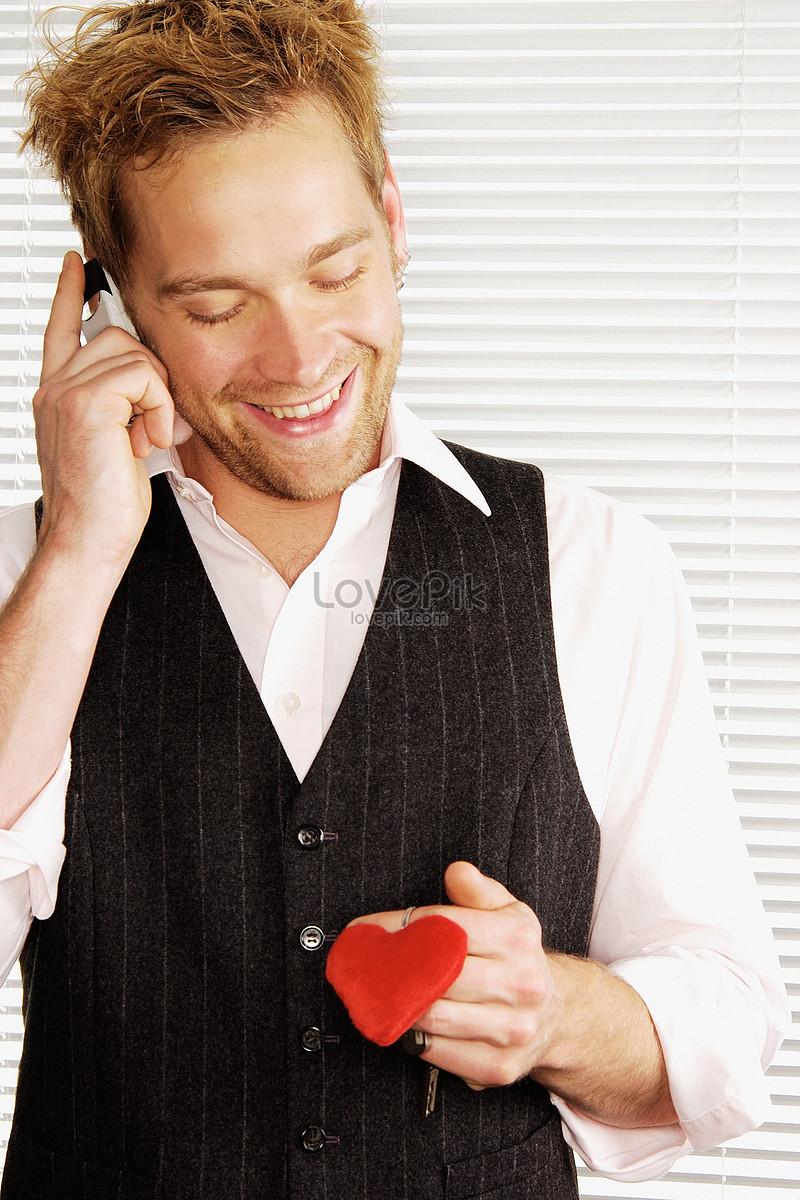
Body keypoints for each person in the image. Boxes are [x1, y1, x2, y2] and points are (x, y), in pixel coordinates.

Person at [0, 2, 788, 1196]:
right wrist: (75, 557)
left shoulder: (589, 562)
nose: (299, 352)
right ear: (111, 311)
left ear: (395, 216)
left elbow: (728, 1038)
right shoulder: (27, 581)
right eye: (216, 306)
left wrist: (553, 1014)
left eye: (335, 269)